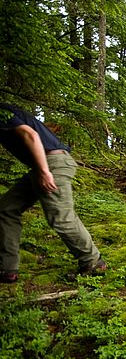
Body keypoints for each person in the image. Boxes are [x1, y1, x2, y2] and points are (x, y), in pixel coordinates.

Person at [0, 103, 106, 283]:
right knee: (6, 208)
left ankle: (93, 262)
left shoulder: (2, 113)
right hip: (43, 164)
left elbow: (30, 135)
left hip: (53, 162)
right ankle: (7, 268)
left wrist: (44, 171)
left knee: (60, 217)